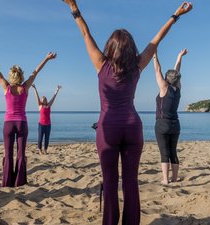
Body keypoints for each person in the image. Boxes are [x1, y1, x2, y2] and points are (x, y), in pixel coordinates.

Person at [61, 1, 193, 224]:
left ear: (110, 47)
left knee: (110, 182)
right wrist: (176, 15)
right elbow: (157, 38)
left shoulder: (101, 64)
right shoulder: (137, 64)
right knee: (131, 182)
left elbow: (85, 32)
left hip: (108, 128)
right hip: (133, 126)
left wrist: (73, 7)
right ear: (131, 47)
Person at [0, 48, 57, 187]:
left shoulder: (6, 87)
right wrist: (46, 58)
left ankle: (7, 182)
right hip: (21, 123)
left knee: (8, 154)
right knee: (21, 154)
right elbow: (36, 71)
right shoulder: (25, 87)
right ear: (21, 76)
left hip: (8, 123)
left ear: (10, 76)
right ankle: (19, 182)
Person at [153, 49, 187, 185]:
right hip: (175, 125)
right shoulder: (178, 88)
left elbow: (157, 70)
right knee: (173, 152)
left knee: (164, 153)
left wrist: (154, 56)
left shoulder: (164, 87)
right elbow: (176, 71)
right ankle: (174, 178)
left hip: (162, 124)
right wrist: (179, 56)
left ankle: (166, 180)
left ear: (166, 79)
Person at [31, 84, 62, 154]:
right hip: (41, 125)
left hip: (48, 125)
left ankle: (45, 150)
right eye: (42, 99)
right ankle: (40, 150)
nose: (44, 100)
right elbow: (37, 97)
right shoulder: (40, 106)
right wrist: (35, 89)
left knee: (47, 138)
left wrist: (57, 90)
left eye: (45, 99)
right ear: (41, 101)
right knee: (40, 138)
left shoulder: (48, 105)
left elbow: (53, 98)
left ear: (46, 100)